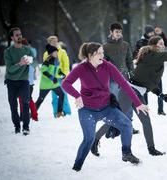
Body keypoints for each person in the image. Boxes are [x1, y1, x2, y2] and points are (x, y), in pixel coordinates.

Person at [92, 36, 167, 157]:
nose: (163, 45)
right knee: (116, 119)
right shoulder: (152, 56)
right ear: (154, 46)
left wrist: (160, 94)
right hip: (128, 92)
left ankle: (151, 149)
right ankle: (95, 140)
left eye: (163, 43)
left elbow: (147, 80)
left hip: (138, 93)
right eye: (160, 44)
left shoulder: (155, 59)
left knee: (146, 121)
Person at [62, 42, 149, 171]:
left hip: (107, 108)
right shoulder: (81, 68)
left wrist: (138, 103)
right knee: (89, 138)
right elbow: (66, 84)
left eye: (103, 52)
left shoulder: (108, 66)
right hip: (87, 110)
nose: (103, 55)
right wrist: (77, 96)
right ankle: (77, 166)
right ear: (91, 55)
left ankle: (126, 153)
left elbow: (124, 84)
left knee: (126, 125)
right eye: (100, 53)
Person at [102, 22, 139, 134]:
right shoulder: (105, 47)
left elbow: (129, 60)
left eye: (120, 32)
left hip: (125, 77)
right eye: (116, 31)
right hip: (112, 80)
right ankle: (112, 127)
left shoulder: (125, 45)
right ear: (111, 32)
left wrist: (132, 73)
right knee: (114, 103)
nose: (119, 34)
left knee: (127, 102)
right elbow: (104, 64)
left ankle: (129, 126)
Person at [4, 27, 36, 135]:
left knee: (25, 103)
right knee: (13, 105)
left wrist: (30, 62)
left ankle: (26, 127)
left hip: (24, 80)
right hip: (11, 81)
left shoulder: (27, 50)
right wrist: (20, 63)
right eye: (17, 35)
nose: (19, 36)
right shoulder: (8, 51)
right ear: (12, 37)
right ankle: (17, 126)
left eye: (20, 34)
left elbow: (35, 62)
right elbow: (10, 69)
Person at [133, 25, 167, 115]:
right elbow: (135, 54)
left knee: (159, 89)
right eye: (149, 33)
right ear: (145, 33)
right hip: (145, 72)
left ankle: (160, 110)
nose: (151, 34)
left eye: (152, 32)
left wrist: (161, 33)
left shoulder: (157, 40)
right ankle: (145, 108)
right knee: (144, 91)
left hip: (156, 70)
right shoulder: (141, 42)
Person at [43, 36, 71, 117]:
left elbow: (66, 63)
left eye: (56, 41)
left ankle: (66, 112)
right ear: (49, 43)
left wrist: (65, 75)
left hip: (62, 77)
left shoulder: (62, 52)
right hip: (52, 78)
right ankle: (57, 113)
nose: (55, 43)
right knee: (54, 96)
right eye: (53, 42)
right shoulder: (46, 53)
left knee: (64, 94)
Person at [35, 44, 65, 117]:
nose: (56, 53)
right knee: (40, 100)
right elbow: (43, 71)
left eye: (56, 52)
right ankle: (32, 112)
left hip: (54, 84)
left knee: (62, 94)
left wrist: (62, 74)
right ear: (51, 53)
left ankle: (59, 112)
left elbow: (58, 70)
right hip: (46, 84)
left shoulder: (56, 61)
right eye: (55, 52)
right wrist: (52, 78)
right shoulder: (47, 61)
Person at [18, 38, 38, 121]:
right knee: (28, 99)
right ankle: (33, 115)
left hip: (25, 83)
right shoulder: (29, 55)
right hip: (29, 83)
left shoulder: (24, 56)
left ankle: (27, 116)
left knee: (24, 100)